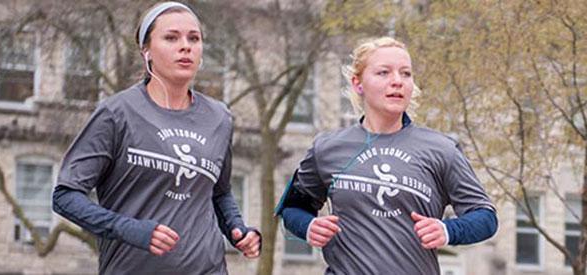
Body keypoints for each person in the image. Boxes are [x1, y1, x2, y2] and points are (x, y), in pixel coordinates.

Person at [52, 2, 260, 274]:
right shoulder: (117, 113)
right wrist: (128, 228)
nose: (185, 46)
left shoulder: (219, 118)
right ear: (146, 50)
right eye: (171, 37)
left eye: (193, 38)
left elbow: (218, 192)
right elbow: (65, 196)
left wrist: (237, 229)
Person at [275, 37, 498, 274]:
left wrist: (448, 230)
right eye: (383, 73)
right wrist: (308, 226)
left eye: (405, 74)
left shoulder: (442, 149)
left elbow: (485, 217)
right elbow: (291, 207)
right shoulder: (326, 147)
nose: (397, 82)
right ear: (358, 83)